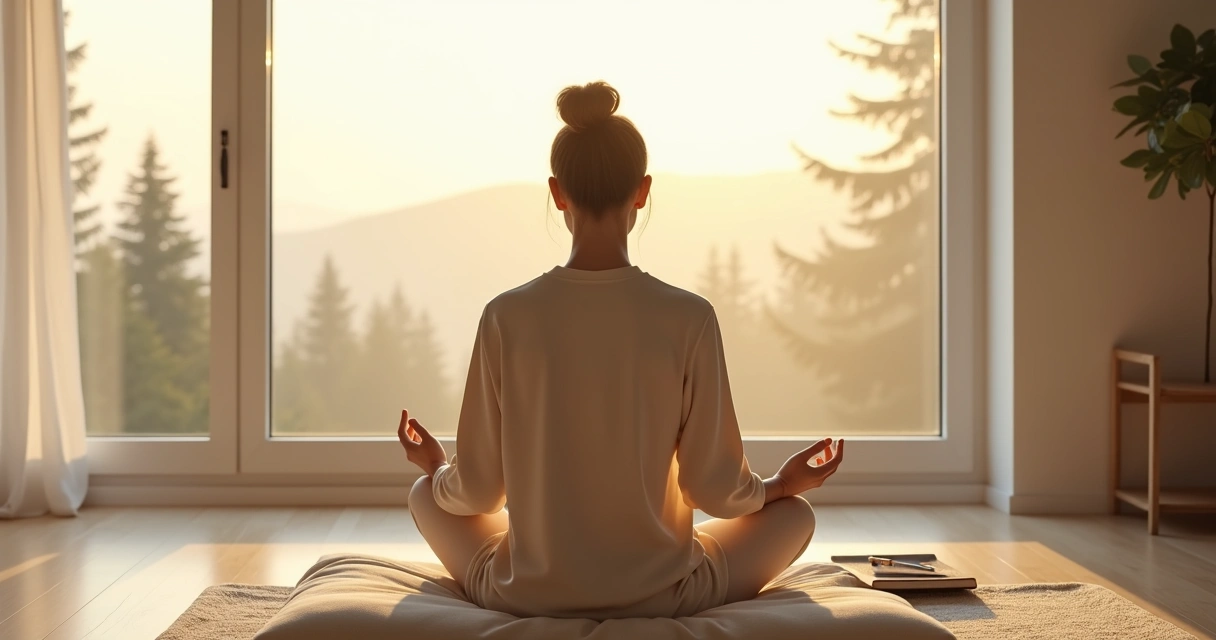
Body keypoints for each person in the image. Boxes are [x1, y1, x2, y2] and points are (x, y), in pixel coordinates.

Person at [398, 81, 845, 620]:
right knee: (795, 516)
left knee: (426, 494)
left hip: (525, 593)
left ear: (557, 192)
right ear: (643, 190)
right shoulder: (689, 317)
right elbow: (716, 490)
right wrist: (781, 485)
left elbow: (476, 493)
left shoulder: (506, 316)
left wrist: (437, 466)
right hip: (665, 595)